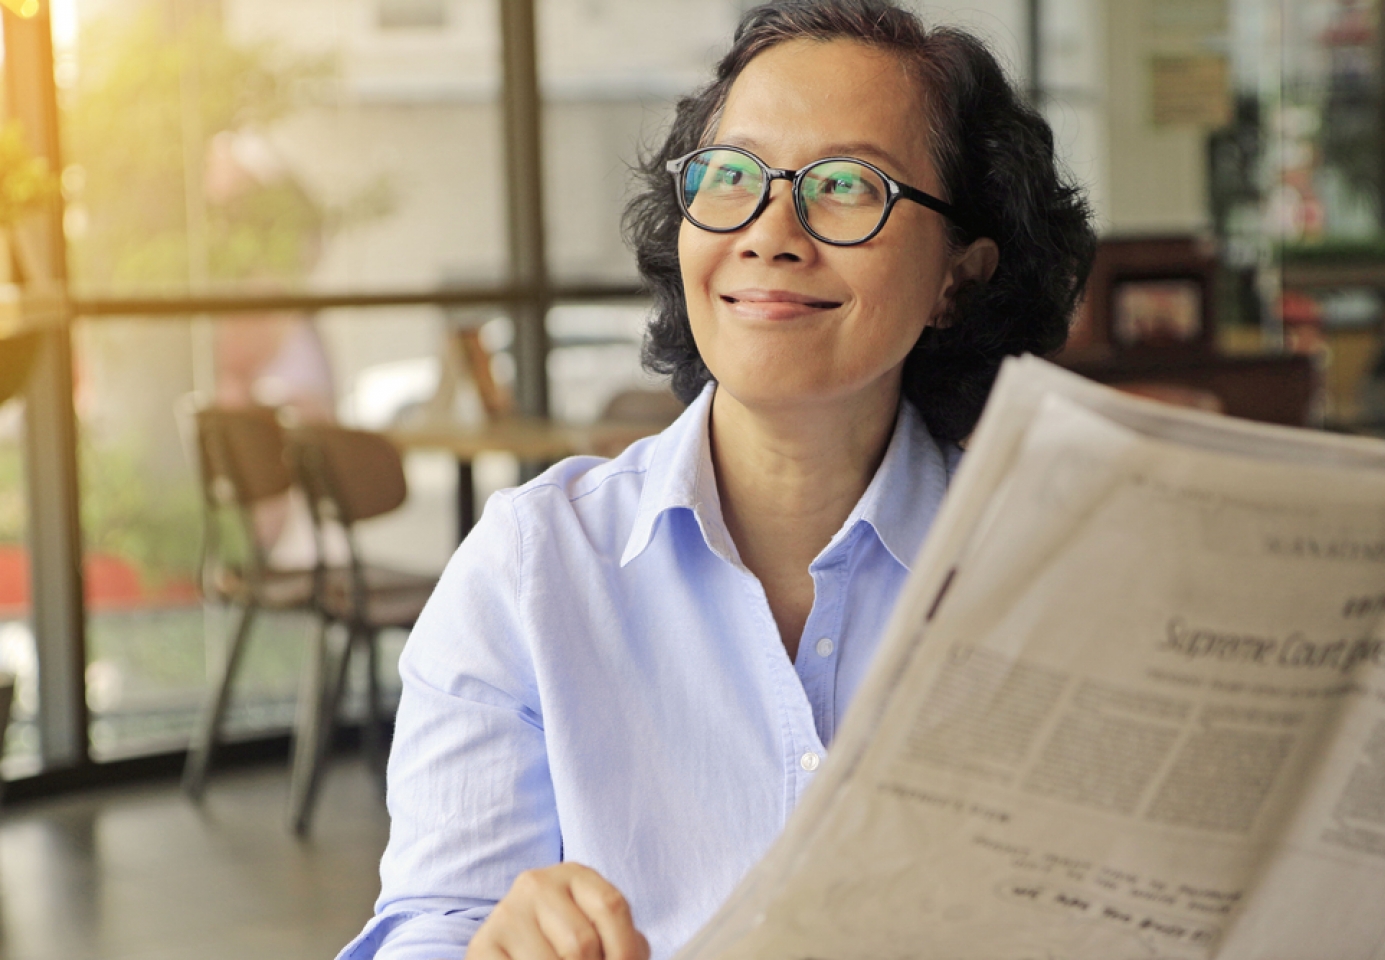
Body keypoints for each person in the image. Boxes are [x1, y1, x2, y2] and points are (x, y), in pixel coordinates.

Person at [338, 2, 1093, 958]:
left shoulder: (1058, 571)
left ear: (960, 275)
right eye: (732, 175)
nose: (770, 232)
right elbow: (431, 925)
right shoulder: (533, 569)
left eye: (850, 185)